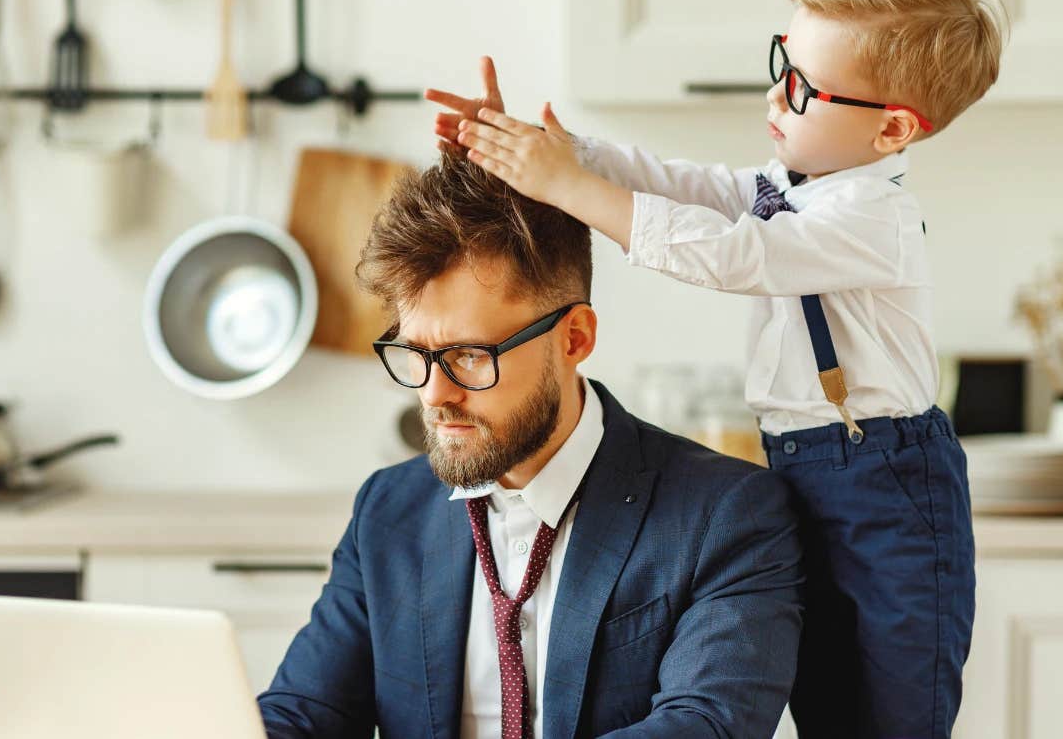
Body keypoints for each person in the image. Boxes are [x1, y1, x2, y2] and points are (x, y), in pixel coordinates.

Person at [426, 0, 1006, 735]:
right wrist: (555, 155)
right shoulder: (794, 187)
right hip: (806, 470)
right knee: (828, 701)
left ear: (893, 130)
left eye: (803, 89)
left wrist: (567, 185)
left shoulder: (875, 218)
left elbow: (734, 254)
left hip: (887, 490)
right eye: (781, 64)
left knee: (892, 711)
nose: (774, 97)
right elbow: (686, 188)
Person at [257, 153, 805, 739]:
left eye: (470, 355)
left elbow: (705, 726)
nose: (435, 394)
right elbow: (302, 714)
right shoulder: (387, 511)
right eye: (415, 354)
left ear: (574, 338)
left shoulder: (726, 514)